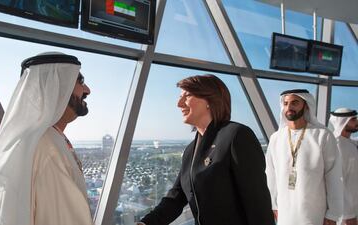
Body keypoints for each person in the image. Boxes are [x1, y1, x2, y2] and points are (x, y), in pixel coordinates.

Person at [138, 74, 274, 225]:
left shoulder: (237, 135)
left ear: (209, 99)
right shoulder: (190, 150)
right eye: (179, 97)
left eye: (187, 95)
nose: (179, 103)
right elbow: (176, 197)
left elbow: (257, 203)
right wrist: (145, 223)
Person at [0, 52, 94, 225]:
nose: (87, 90)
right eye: (79, 81)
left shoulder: (48, 139)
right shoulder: (46, 147)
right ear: (57, 86)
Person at [265, 89, 343, 225]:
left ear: (306, 106)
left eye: (295, 103)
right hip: (284, 211)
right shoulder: (276, 138)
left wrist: (333, 213)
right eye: (286, 103)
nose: (289, 107)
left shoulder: (323, 135)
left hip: (314, 213)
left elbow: (334, 176)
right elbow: (270, 174)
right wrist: (273, 205)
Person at [328, 108, 358, 225]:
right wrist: (348, 214)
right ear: (343, 122)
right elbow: (338, 182)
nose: (357, 121)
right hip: (346, 215)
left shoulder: (350, 143)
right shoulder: (337, 145)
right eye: (353, 119)